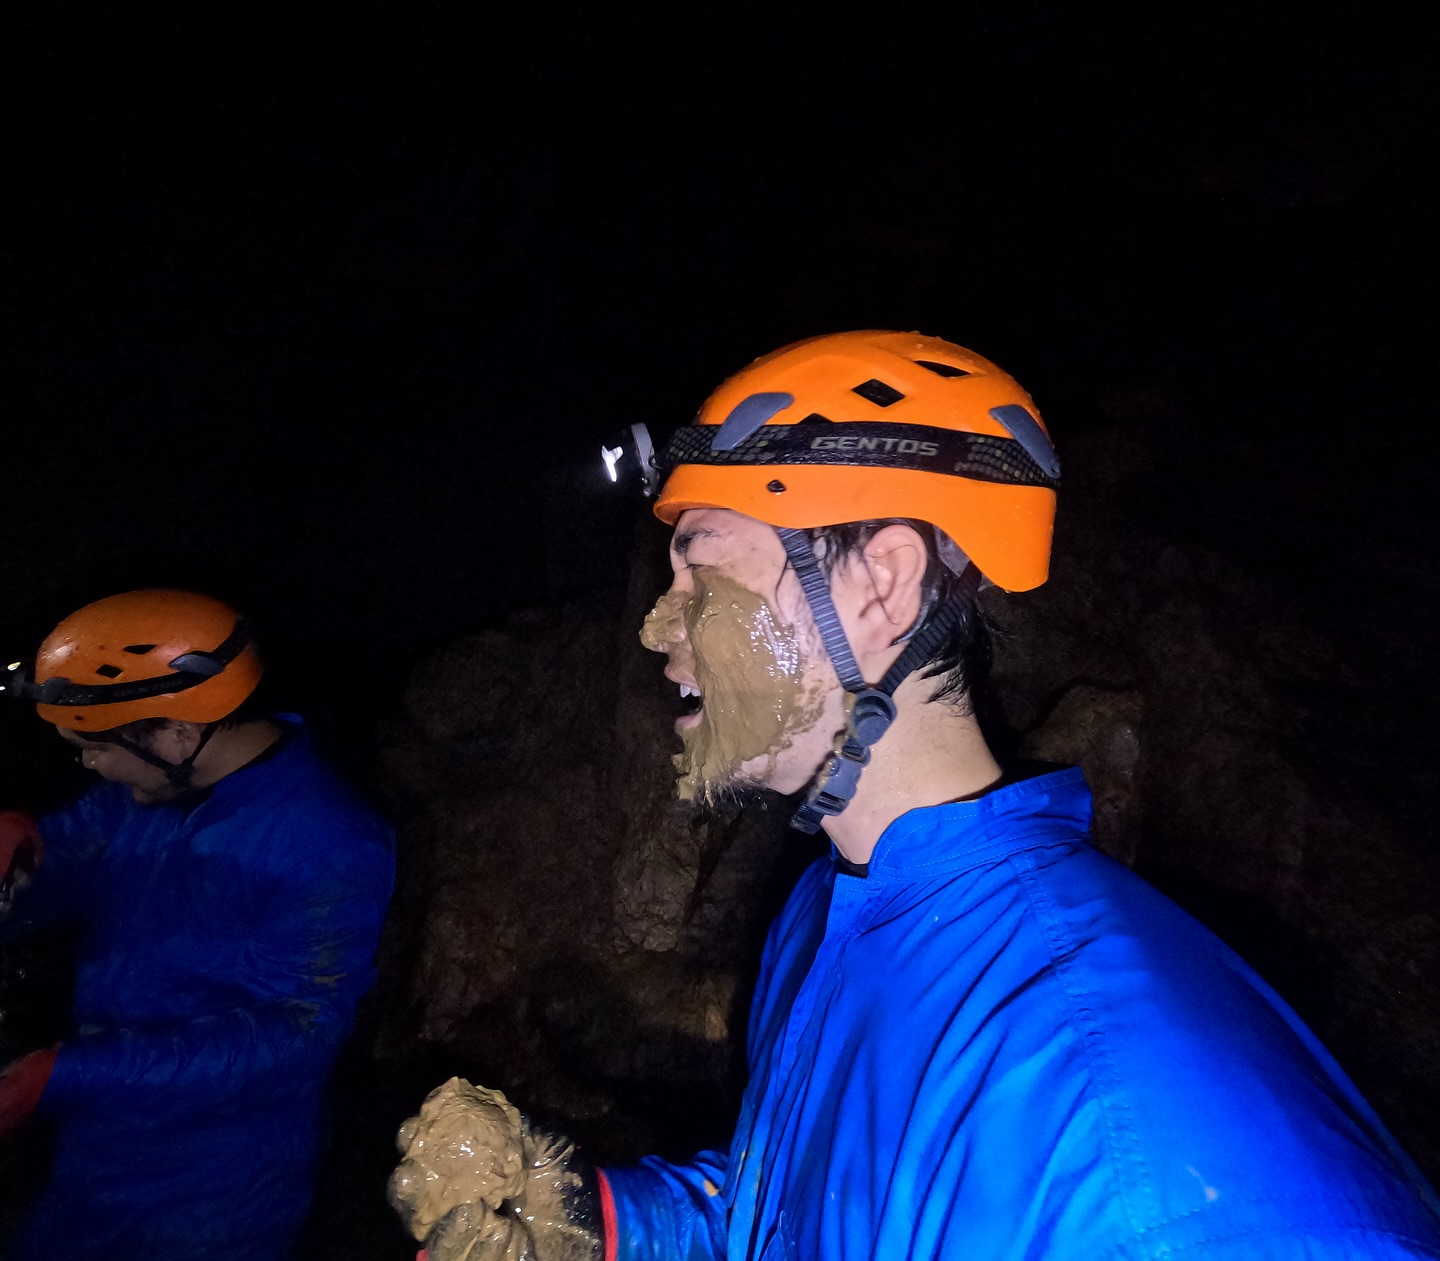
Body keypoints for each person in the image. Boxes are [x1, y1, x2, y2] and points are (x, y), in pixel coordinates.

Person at [390, 332, 1440, 1259]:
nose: (659, 627)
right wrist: (592, 1221)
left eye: (700, 572)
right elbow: (795, 1215)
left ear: (881, 581)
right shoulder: (834, 910)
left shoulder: (1153, 1147)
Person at [0, 588, 394, 1259]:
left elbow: (296, 1035)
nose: (86, 766)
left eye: (88, 748)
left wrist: (62, 1075)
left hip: (212, 1187)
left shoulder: (328, 844)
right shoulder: (150, 787)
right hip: (99, 1148)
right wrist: (23, 857)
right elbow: (76, 848)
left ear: (177, 731)